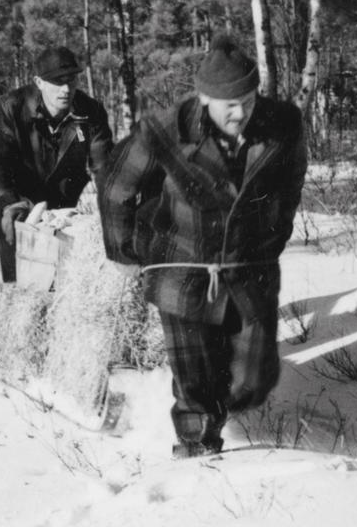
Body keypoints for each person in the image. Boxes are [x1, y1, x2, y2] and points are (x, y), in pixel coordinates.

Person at [100, 33, 309, 458]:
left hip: (250, 265)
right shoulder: (165, 129)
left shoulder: (283, 123)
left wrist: (276, 234)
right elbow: (117, 187)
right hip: (182, 265)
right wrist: (123, 251)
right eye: (230, 104)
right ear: (204, 98)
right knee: (194, 373)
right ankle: (197, 448)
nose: (241, 112)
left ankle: (220, 408)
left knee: (253, 381)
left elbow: (291, 183)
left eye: (248, 100)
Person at [0, 45, 115, 284]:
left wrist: (115, 206)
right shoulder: (10, 107)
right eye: (56, 81)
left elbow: (105, 167)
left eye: (71, 80)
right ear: (38, 82)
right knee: (24, 279)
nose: (65, 89)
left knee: (58, 279)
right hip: (11, 202)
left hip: (58, 205)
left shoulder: (91, 112)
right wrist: (9, 204)